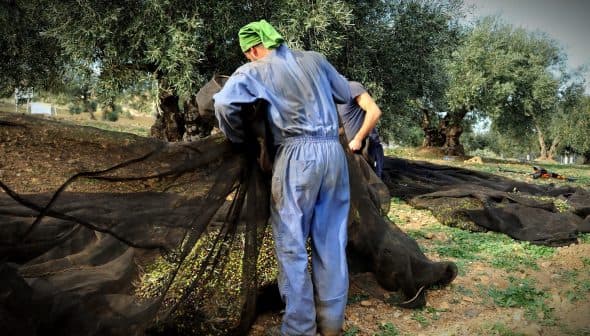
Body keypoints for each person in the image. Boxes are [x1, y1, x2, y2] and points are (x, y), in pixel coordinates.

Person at [213, 20, 351, 336]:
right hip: (333, 154)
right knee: (331, 239)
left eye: (249, 54)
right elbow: (344, 93)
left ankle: (299, 329)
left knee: (291, 243)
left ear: (253, 48)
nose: (250, 59)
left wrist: (239, 138)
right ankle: (331, 323)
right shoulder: (316, 59)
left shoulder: (255, 70)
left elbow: (222, 103)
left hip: (297, 156)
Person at [337, 81, 385, 178]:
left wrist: (358, 139)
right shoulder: (331, 99)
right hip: (348, 153)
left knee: (372, 188)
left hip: (366, 149)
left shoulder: (351, 88)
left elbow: (374, 112)